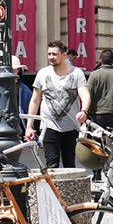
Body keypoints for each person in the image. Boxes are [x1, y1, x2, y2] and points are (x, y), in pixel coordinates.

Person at [25, 40, 91, 168]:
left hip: (71, 128)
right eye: (49, 54)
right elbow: (35, 100)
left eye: (54, 54)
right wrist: (29, 126)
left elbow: (85, 94)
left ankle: (66, 189)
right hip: (49, 127)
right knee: (52, 165)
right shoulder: (43, 74)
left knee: (69, 165)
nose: (51, 57)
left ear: (64, 55)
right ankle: (53, 189)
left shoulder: (76, 73)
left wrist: (84, 111)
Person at [86, 49, 113, 130]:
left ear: (101, 61)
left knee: (97, 140)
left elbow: (88, 94)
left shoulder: (94, 75)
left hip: (97, 113)